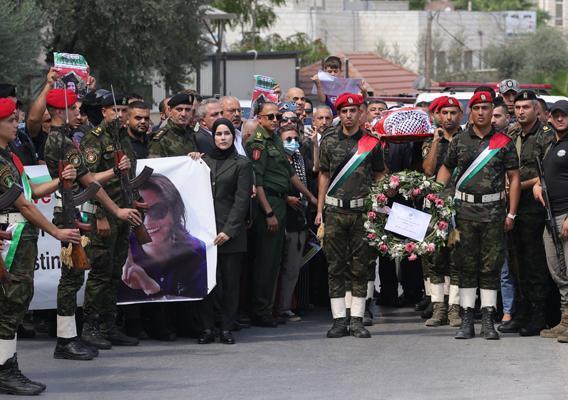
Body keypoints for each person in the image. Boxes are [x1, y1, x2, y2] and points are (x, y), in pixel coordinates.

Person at [42, 89, 143, 358]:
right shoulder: (65, 141)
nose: (79, 112)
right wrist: (108, 211)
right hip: (75, 214)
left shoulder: (66, 139)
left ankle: (91, 328)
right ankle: (71, 336)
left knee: (96, 272)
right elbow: (89, 181)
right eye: (73, 108)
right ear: (59, 111)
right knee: (74, 277)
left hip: (92, 210)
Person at [0, 98, 81, 395]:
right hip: (11, 237)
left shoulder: (9, 156)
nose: (16, 125)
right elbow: (24, 205)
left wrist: (61, 180)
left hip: (22, 238)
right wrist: (56, 232)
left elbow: (32, 191)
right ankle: (6, 370)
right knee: (11, 303)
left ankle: (7, 365)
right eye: (10, 120)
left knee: (15, 302)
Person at [437, 91, 520, 340]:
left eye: (486, 108)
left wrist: (512, 214)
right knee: (465, 266)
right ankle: (466, 319)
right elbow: (445, 169)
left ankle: (487, 320)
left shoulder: (503, 142)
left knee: (490, 268)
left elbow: (514, 178)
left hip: (494, 213)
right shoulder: (460, 141)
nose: (482, 112)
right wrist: (437, 199)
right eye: (477, 108)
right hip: (464, 213)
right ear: (470, 112)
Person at [316, 92, 385, 339]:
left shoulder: (372, 142)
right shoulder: (328, 140)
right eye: (343, 111)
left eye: (352, 110)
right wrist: (319, 210)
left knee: (360, 266)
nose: (348, 115)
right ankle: (338, 320)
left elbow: (379, 175)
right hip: (334, 210)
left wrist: (379, 205)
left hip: (361, 212)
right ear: (339, 113)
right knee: (335, 266)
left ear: (361, 113)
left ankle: (356, 320)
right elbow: (323, 175)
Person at [77, 92, 142, 349]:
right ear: (103, 112)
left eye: (124, 110)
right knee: (101, 273)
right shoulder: (95, 140)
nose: (122, 114)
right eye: (116, 110)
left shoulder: (123, 138)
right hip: (103, 214)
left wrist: (134, 199)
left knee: (116, 272)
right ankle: (91, 327)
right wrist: (101, 214)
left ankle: (108, 324)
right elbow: (89, 180)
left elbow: (127, 177)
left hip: (124, 212)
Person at [246, 102, 316, 327]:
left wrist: (311, 197)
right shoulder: (258, 143)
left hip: (280, 201)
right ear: (259, 118)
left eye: (277, 116)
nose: (276, 120)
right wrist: (268, 212)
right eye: (271, 116)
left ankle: (267, 308)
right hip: (270, 204)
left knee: (275, 260)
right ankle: (260, 310)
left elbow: (290, 175)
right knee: (266, 261)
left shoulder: (275, 139)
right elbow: (258, 183)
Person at [194, 118, 253, 344]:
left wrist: (229, 230)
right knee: (208, 283)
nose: (223, 138)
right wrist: (192, 159)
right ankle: (207, 327)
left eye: (227, 133)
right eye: (218, 134)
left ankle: (227, 327)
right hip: (206, 234)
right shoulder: (203, 161)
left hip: (231, 234)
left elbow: (241, 201)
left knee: (230, 284)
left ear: (233, 136)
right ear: (213, 137)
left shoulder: (242, 164)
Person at [501, 91, 553, 337]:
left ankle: (538, 314)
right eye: (518, 107)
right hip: (511, 206)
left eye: (526, 107)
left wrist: (515, 185)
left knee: (534, 262)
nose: (520, 111)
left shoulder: (546, 135)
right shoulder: (510, 134)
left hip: (533, 206)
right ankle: (520, 311)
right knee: (515, 261)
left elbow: (547, 174)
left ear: (536, 110)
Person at [120, 174, 207, 300]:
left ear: (175, 212)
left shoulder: (197, 252)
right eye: (139, 213)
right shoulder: (121, 252)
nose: (147, 223)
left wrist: (152, 290)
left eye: (158, 211)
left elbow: (198, 302)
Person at [421, 96, 463, 327]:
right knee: (436, 259)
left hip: (460, 207)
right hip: (435, 208)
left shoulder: (467, 140)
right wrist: (436, 142)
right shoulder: (430, 141)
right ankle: (439, 308)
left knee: (456, 260)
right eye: (444, 113)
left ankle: (454, 309)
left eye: (453, 113)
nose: (448, 117)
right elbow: (428, 170)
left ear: (460, 114)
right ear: (438, 115)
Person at [533, 100, 568, 343]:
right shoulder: (551, 145)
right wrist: (536, 184)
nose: (559, 119)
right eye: (555, 115)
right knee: (558, 272)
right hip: (550, 216)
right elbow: (546, 176)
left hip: (565, 215)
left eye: (564, 115)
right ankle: (565, 320)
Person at [277, 125, 310, 323]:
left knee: (293, 269)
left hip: (300, 221)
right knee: (279, 268)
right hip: (282, 220)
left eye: (295, 139)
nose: (292, 143)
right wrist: (286, 198)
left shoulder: (300, 160)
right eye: (287, 139)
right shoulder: (276, 162)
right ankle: (277, 308)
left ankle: (286, 306)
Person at [148, 93, 198, 158]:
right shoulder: (160, 138)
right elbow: (155, 164)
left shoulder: (192, 134)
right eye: (179, 109)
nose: (183, 114)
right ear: (170, 111)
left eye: (187, 110)